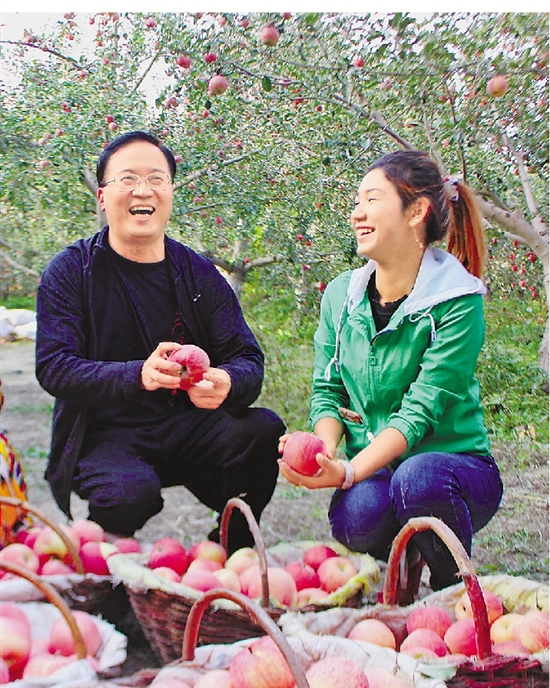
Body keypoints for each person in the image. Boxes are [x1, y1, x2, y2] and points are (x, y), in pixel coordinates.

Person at [35, 130, 285, 554]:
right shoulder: (71, 272)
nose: (143, 190)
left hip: (186, 427)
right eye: (128, 178)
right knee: (129, 494)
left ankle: (233, 548)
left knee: (262, 430)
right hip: (106, 433)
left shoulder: (198, 274)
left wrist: (226, 381)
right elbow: (55, 366)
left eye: (156, 178)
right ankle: (105, 564)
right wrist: (139, 374)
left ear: (170, 192)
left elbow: (247, 358)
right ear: (102, 196)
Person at [278, 149, 503, 597]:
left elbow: (420, 410)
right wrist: (324, 454)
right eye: (357, 201)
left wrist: (348, 472)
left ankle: (454, 592)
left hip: (453, 471)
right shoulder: (341, 296)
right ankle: (406, 562)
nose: (357, 214)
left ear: (416, 212)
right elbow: (328, 390)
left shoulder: (458, 301)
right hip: (379, 470)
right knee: (356, 519)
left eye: (372, 199)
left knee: (418, 480)